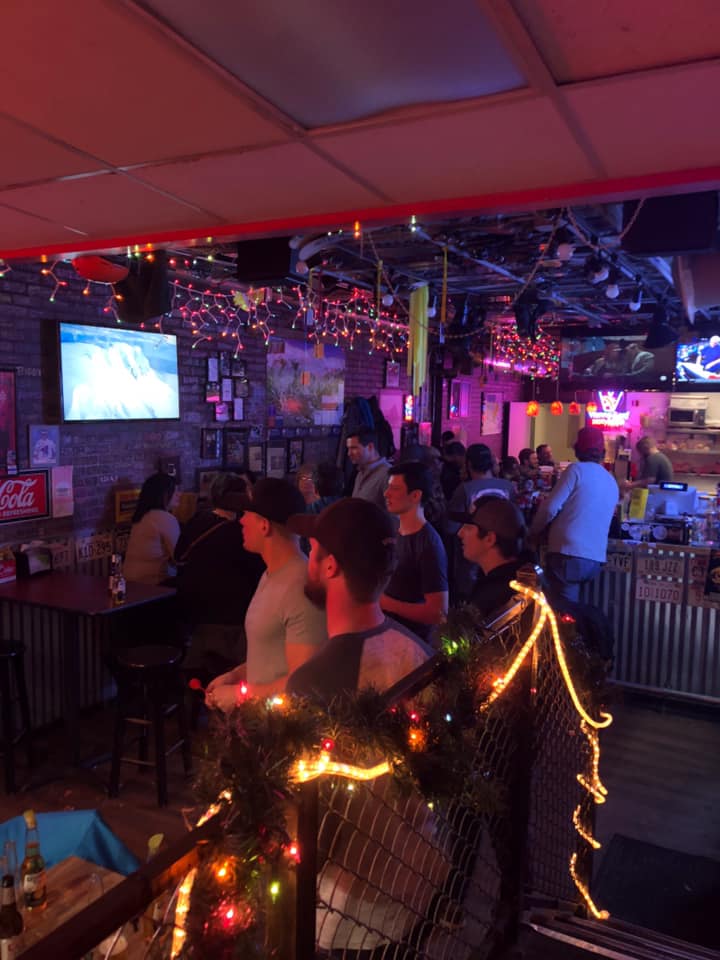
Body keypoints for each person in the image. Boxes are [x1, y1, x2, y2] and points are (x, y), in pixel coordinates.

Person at [286, 498, 432, 703]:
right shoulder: (422, 656)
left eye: (312, 548)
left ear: (330, 566)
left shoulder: (310, 685)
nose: (308, 557)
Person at [205, 478, 326, 711]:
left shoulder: (301, 587)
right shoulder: (271, 574)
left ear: (264, 525)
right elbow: (270, 655)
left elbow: (304, 683)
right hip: (261, 721)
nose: (241, 521)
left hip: (284, 728)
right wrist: (235, 676)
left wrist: (240, 695)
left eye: (246, 514)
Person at [174, 473, 264, 672]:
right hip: (231, 616)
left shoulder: (196, 520)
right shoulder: (240, 533)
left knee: (202, 672)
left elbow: (178, 554)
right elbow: (258, 571)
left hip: (196, 611)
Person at [528, 426, 618, 606]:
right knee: (575, 608)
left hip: (568, 555)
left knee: (562, 610)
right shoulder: (610, 480)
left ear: (578, 449)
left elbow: (549, 508)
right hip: (594, 559)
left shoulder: (576, 470)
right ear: (602, 452)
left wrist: (533, 532)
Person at [381, 462, 449, 640]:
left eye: (395, 488)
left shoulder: (429, 544)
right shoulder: (393, 531)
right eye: (388, 487)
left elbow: (438, 612)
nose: (386, 493)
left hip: (412, 641)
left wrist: (386, 603)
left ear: (416, 495)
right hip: (390, 634)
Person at [448, 444, 515, 600]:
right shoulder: (508, 487)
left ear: (468, 464)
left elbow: (450, 526)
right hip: (502, 550)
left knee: (470, 597)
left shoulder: (464, 489)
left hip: (471, 557)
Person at [452, 495, 527, 617]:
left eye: (468, 528)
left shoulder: (495, 598)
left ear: (489, 539)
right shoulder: (525, 576)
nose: (460, 533)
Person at [123, 472, 180, 585]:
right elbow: (179, 556)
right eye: (175, 491)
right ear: (164, 495)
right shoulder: (165, 518)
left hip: (129, 580)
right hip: (152, 583)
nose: (179, 494)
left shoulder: (142, 515)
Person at [346, 428, 391, 509]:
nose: (349, 453)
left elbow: (395, 514)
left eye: (354, 448)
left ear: (370, 447)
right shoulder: (360, 473)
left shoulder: (388, 475)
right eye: (348, 448)